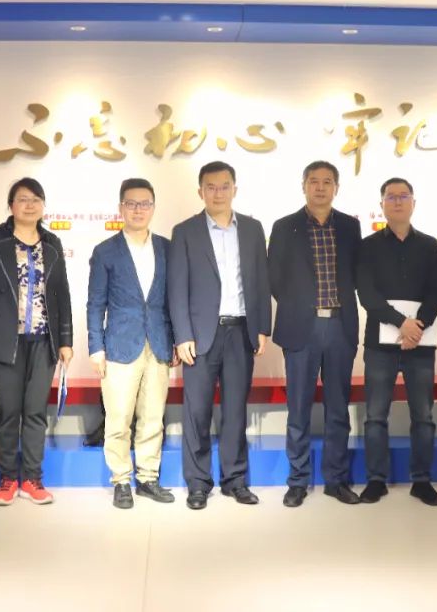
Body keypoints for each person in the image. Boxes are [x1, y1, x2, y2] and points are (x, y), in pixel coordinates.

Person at [168, 161, 272, 510]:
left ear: (234, 189)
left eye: (224, 186)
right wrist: (182, 335)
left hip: (241, 331)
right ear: (200, 191)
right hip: (199, 337)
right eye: (210, 187)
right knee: (196, 412)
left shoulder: (253, 229)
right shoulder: (185, 231)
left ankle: (235, 480)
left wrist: (262, 327)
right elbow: (177, 288)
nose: (218, 193)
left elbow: (260, 281)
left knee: (235, 411)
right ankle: (198, 484)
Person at [0, 177, 74, 506]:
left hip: (44, 340)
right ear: (11, 205)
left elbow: (62, 294)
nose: (29, 205)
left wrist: (66, 340)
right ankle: (6, 479)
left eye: (35, 199)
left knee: (35, 412)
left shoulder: (52, 242)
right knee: (8, 411)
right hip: (6, 341)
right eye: (23, 199)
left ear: (43, 205)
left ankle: (32, 478)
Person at [268, 160, 362, 507]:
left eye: (327, 181)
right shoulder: (284, 226)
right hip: (300, 328)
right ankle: (297, 481)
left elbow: (357, 273)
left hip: (339, 325)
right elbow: (274, 278)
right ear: (303, 185)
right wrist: (298, 305)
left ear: (336, 187)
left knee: (338, 408)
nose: (320, 187)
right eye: (313, 181)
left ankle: (336, 480)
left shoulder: (350, 226)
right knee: (298, 408)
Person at [87, 178, 176, 509]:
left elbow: (174, 299)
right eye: (132, 203)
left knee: (153, 416)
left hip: (159, 343)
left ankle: (148, 478)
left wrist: (176, 339)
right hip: (119, 346)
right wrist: (96, 347)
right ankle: (121, 481)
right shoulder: (105, 251)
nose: (138, 210)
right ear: (121, 208)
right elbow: (95, 303)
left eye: (145, 203)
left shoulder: (167, 248)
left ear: (153, 207)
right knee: (119, 418)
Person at [355, 177, 437, 506]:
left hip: (420, 343)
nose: (396, 202)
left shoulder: (429, 245)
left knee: (423, 416)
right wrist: (401, 324)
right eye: (390, 197)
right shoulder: (367, 246)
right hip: (380, 344)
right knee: (375, 416)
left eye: (403, 196)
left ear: (413, 203)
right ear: (382, 205)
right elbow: (367, 294)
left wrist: (416, 327)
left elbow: (436, 291)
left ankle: (421, 480)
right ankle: (376, 480)